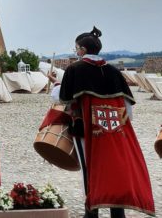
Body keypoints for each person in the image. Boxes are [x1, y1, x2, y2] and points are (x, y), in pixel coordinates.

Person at [59, 27, 154, 218]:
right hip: (115, 130)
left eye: (76, 48)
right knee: (114, 168)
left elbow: (64, 101)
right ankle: (117, 212)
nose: (76, 51)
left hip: (84, 129)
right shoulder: (113, 71)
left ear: (83, 50)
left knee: (89, 169)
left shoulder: (74, 70)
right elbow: (127, 109)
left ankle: (91, 211)